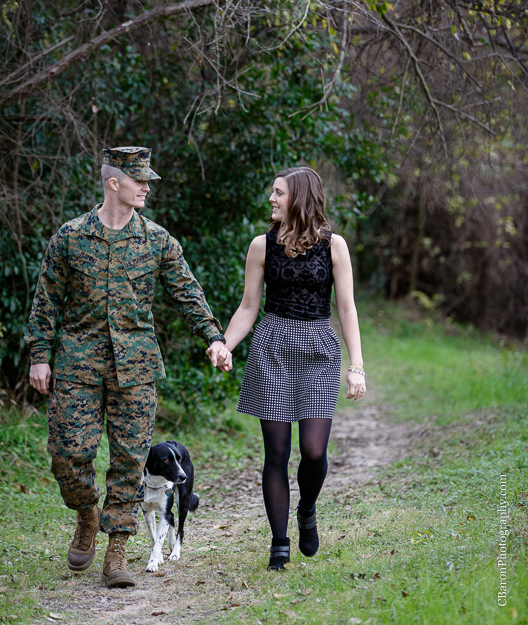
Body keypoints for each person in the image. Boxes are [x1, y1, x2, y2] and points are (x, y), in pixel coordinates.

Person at [26, 147, 231, 588]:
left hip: (136, 368)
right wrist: (39, 354)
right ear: (114, 183)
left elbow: (187, 293)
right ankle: (87, 513)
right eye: (140, 181)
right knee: (67, 455)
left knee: (130, 461)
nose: (147, 188)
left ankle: (117, 549)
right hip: (78, 364)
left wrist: (214, 338)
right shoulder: (70, 236)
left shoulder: (157, 240)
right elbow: (46, 300)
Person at [212, 166, 365, 570]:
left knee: (313, 451)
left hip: (318, 349)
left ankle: (307, 508)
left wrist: (357, 365)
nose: (272, 199)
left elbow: (346, 309)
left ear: (300, 197)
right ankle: (279, 543)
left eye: (279, 193)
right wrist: (224, 344)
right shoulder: (261, 246)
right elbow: (249, 307)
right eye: (273, 192)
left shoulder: (334, 246)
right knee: (276, 452)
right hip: (273, 347)